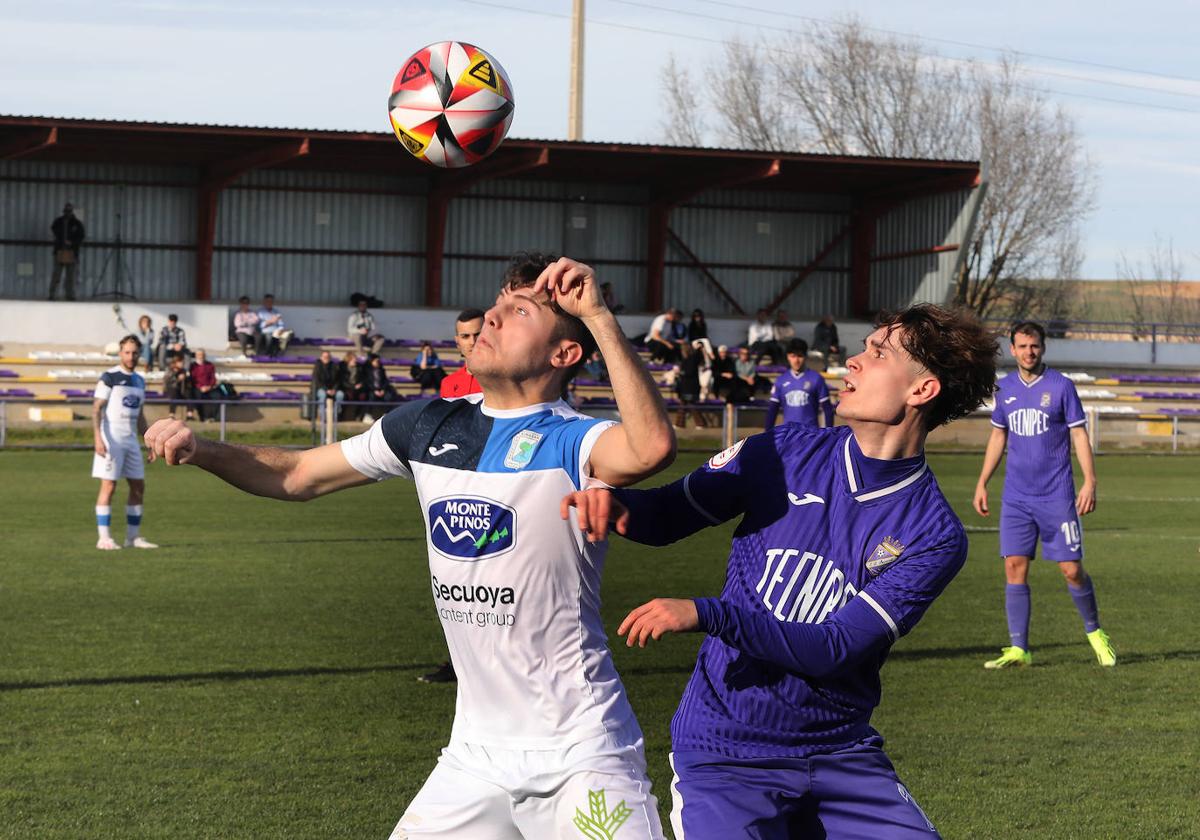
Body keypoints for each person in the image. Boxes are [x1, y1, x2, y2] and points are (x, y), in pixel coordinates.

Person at [143, 253, 675, 840]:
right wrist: (205, 450)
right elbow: (294, 475)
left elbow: (650, 449)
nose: (492, 319)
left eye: (518, 312)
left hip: (582, 749)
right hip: (473, 757)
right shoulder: (425, 425)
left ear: (564, 354)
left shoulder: (578, 439)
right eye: (495, 306)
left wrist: (597, 316)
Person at [562, 304, 998, 839]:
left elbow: (832, 648)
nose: (854, 361)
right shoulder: (780, 451)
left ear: (922, 391)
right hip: (727, 754)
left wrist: (708, 613)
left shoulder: (934, 534)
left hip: (842, 755)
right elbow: (667, 516)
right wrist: (611, 503)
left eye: (878, 353)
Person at [974, 321, 1114, 668]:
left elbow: (1079, 435)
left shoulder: (1061, 387)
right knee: (1015, 567)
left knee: (1071, 570)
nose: (1028, 352)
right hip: (1016, 498)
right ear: (1013, 349)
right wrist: (982, 482)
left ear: (1043, 347)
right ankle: (1019, 648)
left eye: (1034, 345)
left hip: (1056, 496)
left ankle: (1096, 634)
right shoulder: (1004, 389)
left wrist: (1090, 481)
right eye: (1022, 346)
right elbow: (997, 438)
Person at [92, 335, 156, 550]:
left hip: (131, 441)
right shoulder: (109, 377)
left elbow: (139, 415)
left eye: (134, 352)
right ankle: (104, 538)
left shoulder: (139, 380)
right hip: (112, 441)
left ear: (139, 354)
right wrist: (98, 438)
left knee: (138, 486)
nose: (131, 356)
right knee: (109, 486)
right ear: (120, 353)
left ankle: (133, 537)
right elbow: (96, 408)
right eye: (127, 352)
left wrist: (149, 442)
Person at [765, 338, 834, 430]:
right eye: (793, 356)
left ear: (805, 356)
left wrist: (828, 433)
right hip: (789, 435)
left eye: (800, 356)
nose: (796, 360)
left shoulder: (816, 378)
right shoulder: (781, 380)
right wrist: (768, 434)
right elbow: (772, 411)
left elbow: (827, 409)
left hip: (811, 435)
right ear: (787, 357)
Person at [439, 308, 485, 400]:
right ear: (457, 342)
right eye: (465, 336)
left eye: (478, 334)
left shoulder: (504, 380)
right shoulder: (448, 383)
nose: (472, 342)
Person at [49, 202, 85, 301]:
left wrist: (72, 242)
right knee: (56, 274)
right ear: (64, 211)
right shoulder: (58, 222)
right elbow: (54, 230)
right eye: (66, 211)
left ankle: (70, 295)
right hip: (59, 251)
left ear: (71, 211)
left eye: (69, 211)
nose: (67, 213)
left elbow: (81, 236)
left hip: (72, 252)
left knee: (71, 276)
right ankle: (52, 294)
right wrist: (61, 240)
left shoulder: (77, 223)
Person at [674, 341, 710, 429]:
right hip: (686, 386)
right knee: (683, 405)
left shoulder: (692, 359)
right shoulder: (687, 359)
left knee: (691, 405)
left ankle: (700, 423)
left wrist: (680, 373)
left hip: (690, 386)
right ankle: (680, 424)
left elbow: (689, 371)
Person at [311, 350, 345, 425]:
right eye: (325, 357)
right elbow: (317, 381)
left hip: (333, 389)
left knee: (340, 395)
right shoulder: (317, 367)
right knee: (322, 395)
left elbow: (337, 380)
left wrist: (334, 390)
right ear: (321, 358)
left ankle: (335, 416)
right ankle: (323, 418)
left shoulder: (334, 366)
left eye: (328, 357)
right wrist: (326, 390)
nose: (326, 358)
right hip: (321, 389)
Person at [190, 349, 219, 422]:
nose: (201, 356)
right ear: (196, 356)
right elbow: (192, 379)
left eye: (202, 355)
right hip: (197, 387)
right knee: (198, 397)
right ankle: (203, 417)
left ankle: (212, 417)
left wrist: (209, 386)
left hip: (209, 387)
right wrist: (200, 387)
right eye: (199, 355)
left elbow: (213, 378)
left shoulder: (210, 365)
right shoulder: (192, 366)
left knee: (217, 396)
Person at [162, 355, 194, 421]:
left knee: (189, 393)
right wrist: (177, 378)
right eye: (180, 362)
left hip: (182, 390)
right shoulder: (170, 370)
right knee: (174, 393)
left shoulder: (184, 371)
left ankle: (189, 414)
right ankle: (171, 414)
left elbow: (188, 383)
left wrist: (186, 378)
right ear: (175, 363)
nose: (182, 364)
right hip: (172, 389)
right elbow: (167, 381)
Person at [340, 351, 367, 421]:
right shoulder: (343, 368)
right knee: (347, 395)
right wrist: (353, 387)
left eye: (355, 359)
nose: (355, 360)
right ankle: (343, 416)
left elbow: (363, 379)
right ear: (349, 360)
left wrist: (360, 385)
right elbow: (342, 382)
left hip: (358, 388)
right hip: (347, 388)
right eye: (353, 359)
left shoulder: (359, 368)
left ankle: (359, 416)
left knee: (363, 396)